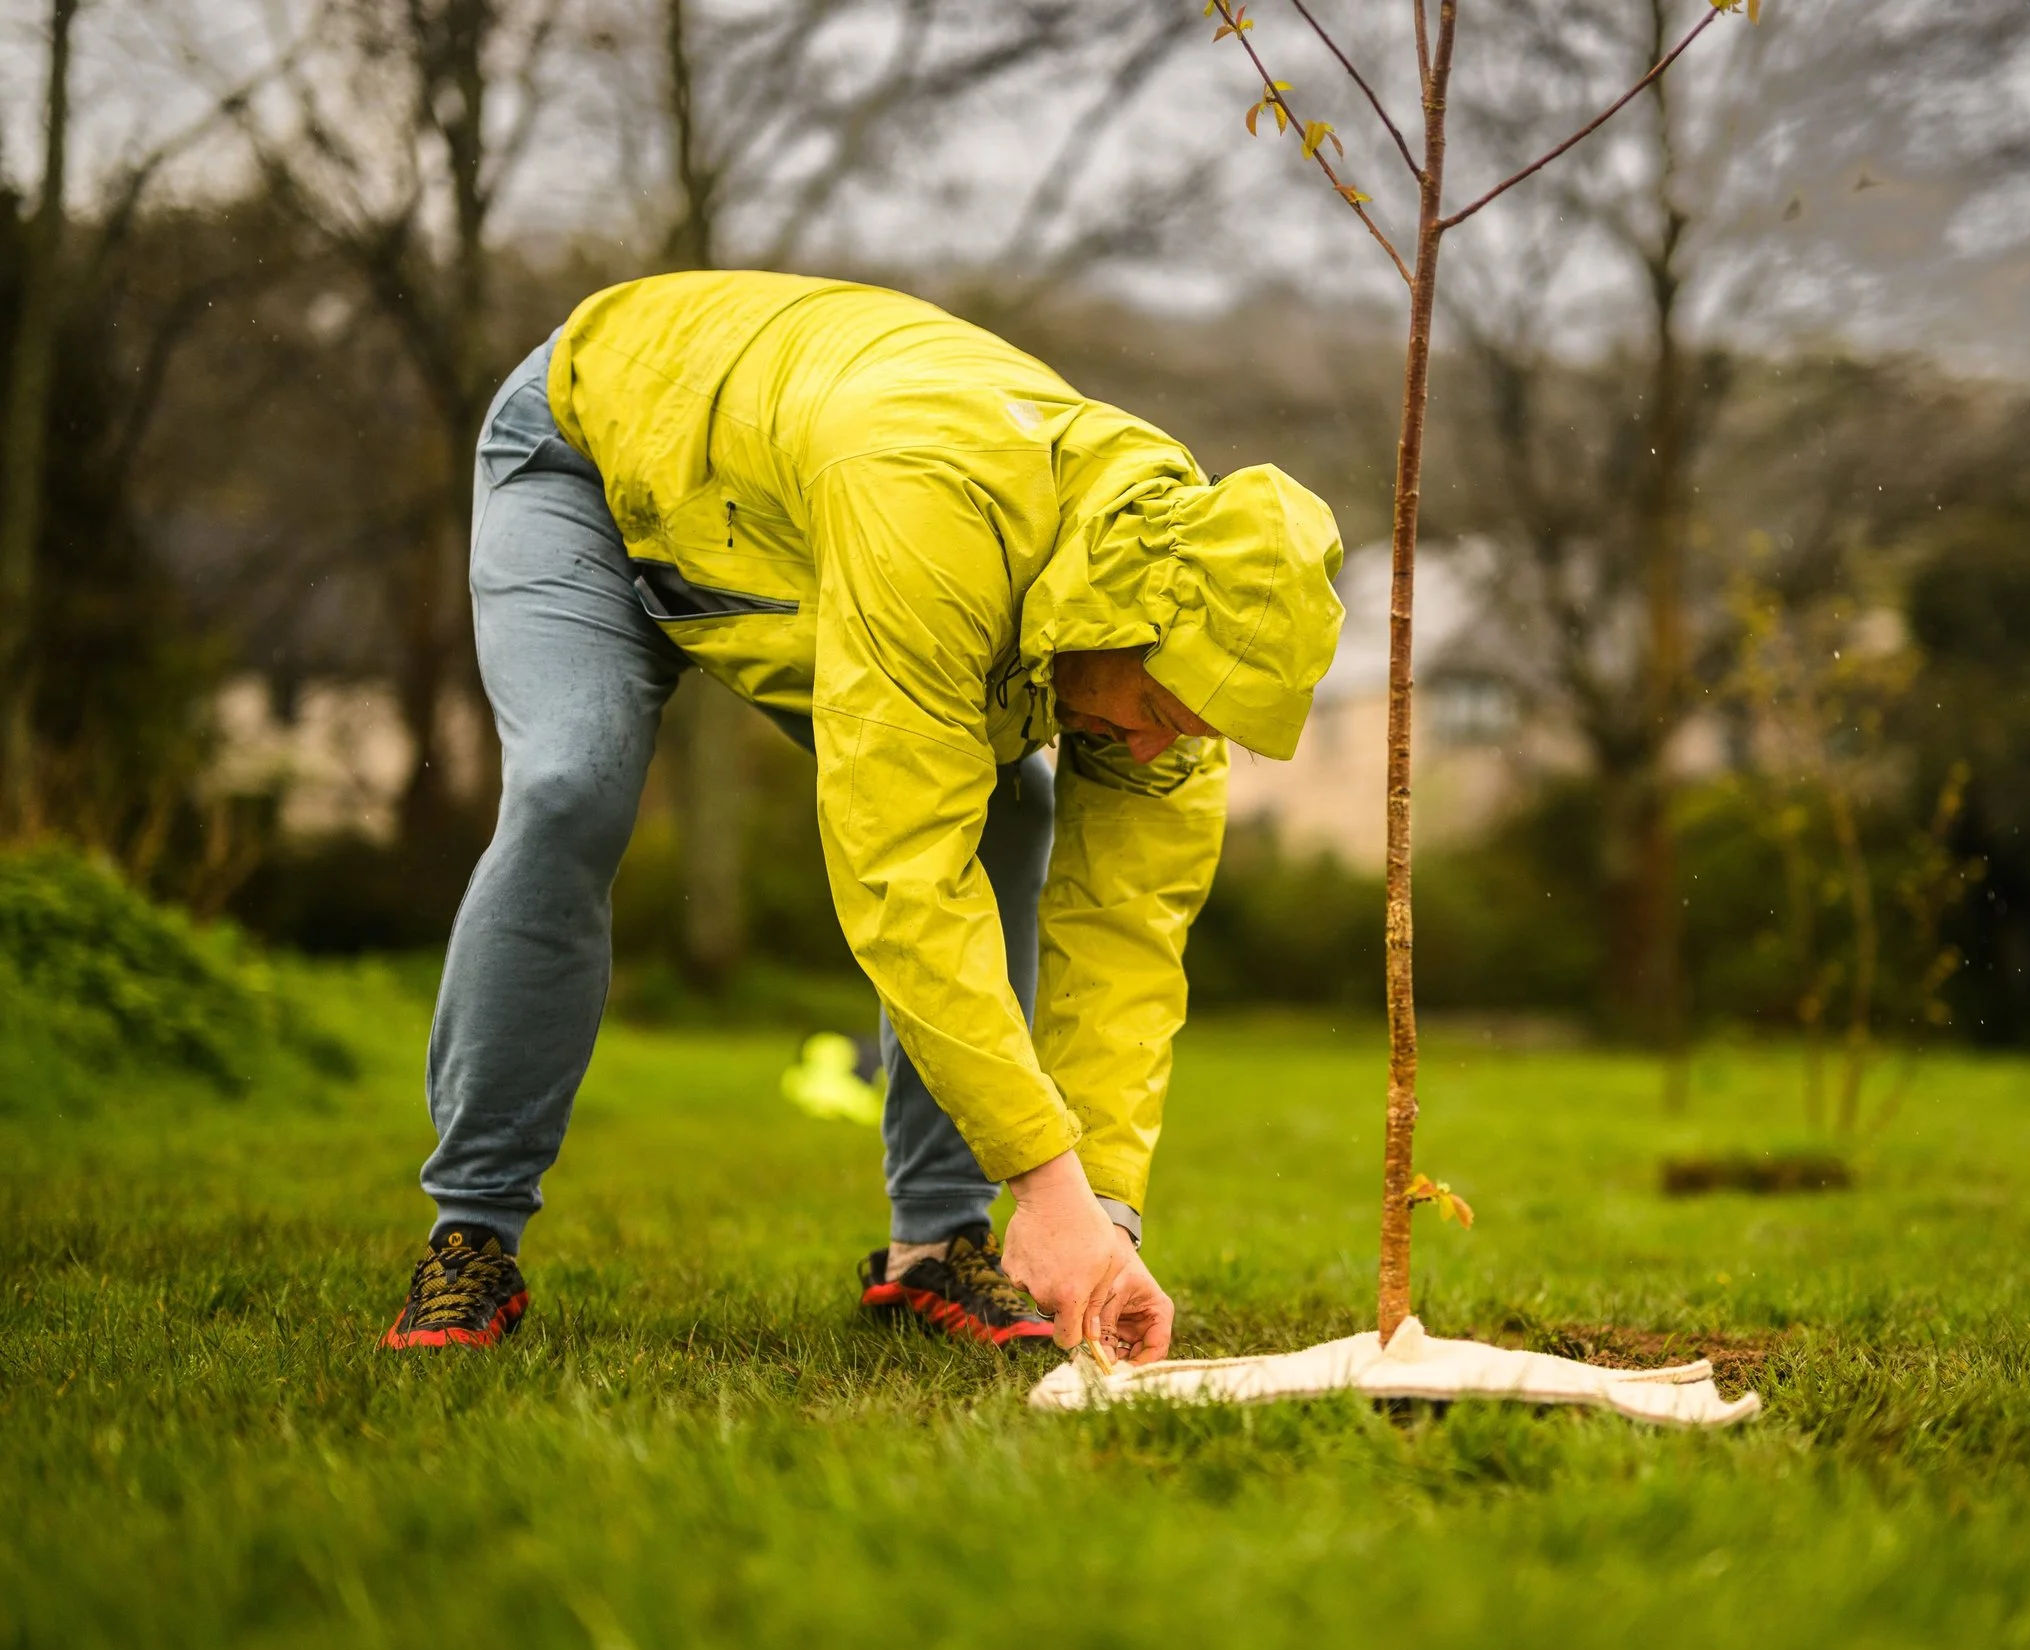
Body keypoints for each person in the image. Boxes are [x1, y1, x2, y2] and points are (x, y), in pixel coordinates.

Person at [381, 272, 1345, 1364]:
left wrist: (1101, 1215)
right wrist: (1042, 1169)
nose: (1169, 742)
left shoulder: (1182, 655)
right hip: (594, 456)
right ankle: (472, 1233)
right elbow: (901, 870)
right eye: (1165, 711)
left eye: (1200, 727)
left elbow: (1126, 932)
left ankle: (936, 1241)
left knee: (1008, 804)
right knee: (572, 782)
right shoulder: (934, 516)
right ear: (1121, 622)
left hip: (778, 536)